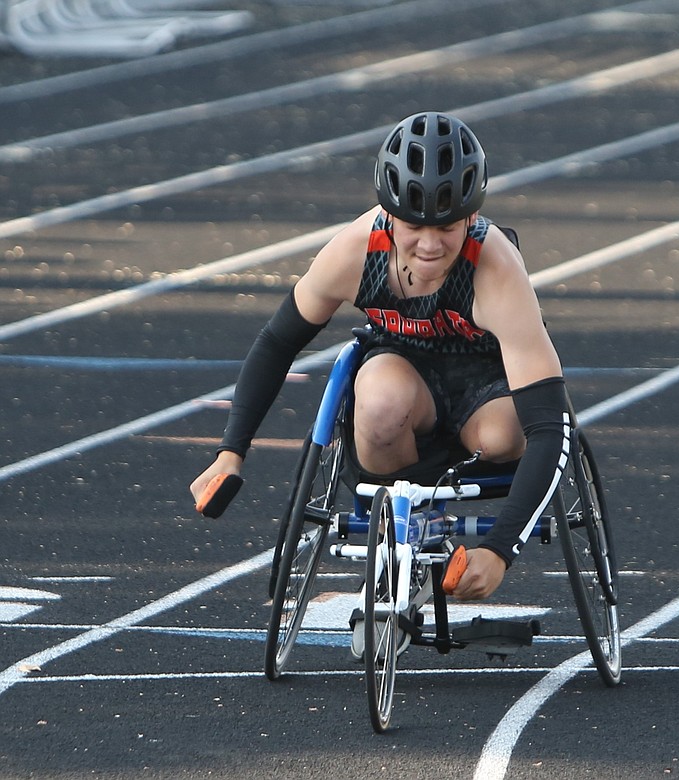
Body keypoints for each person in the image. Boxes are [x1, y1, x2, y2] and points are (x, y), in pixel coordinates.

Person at [189, 111, 568, 602]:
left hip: (486, 384)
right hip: (403, 376)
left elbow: (551, 426)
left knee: (503, 436)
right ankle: (405, 537)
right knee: (380, 403)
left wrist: (498, 550)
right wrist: (230, 452)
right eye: (414, 225)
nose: (429, 246)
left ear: (472, 217)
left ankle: (431, 513)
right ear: (388, 214)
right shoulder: (354, 252)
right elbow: (277, 342)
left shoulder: (496, 270)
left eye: (448, 226)